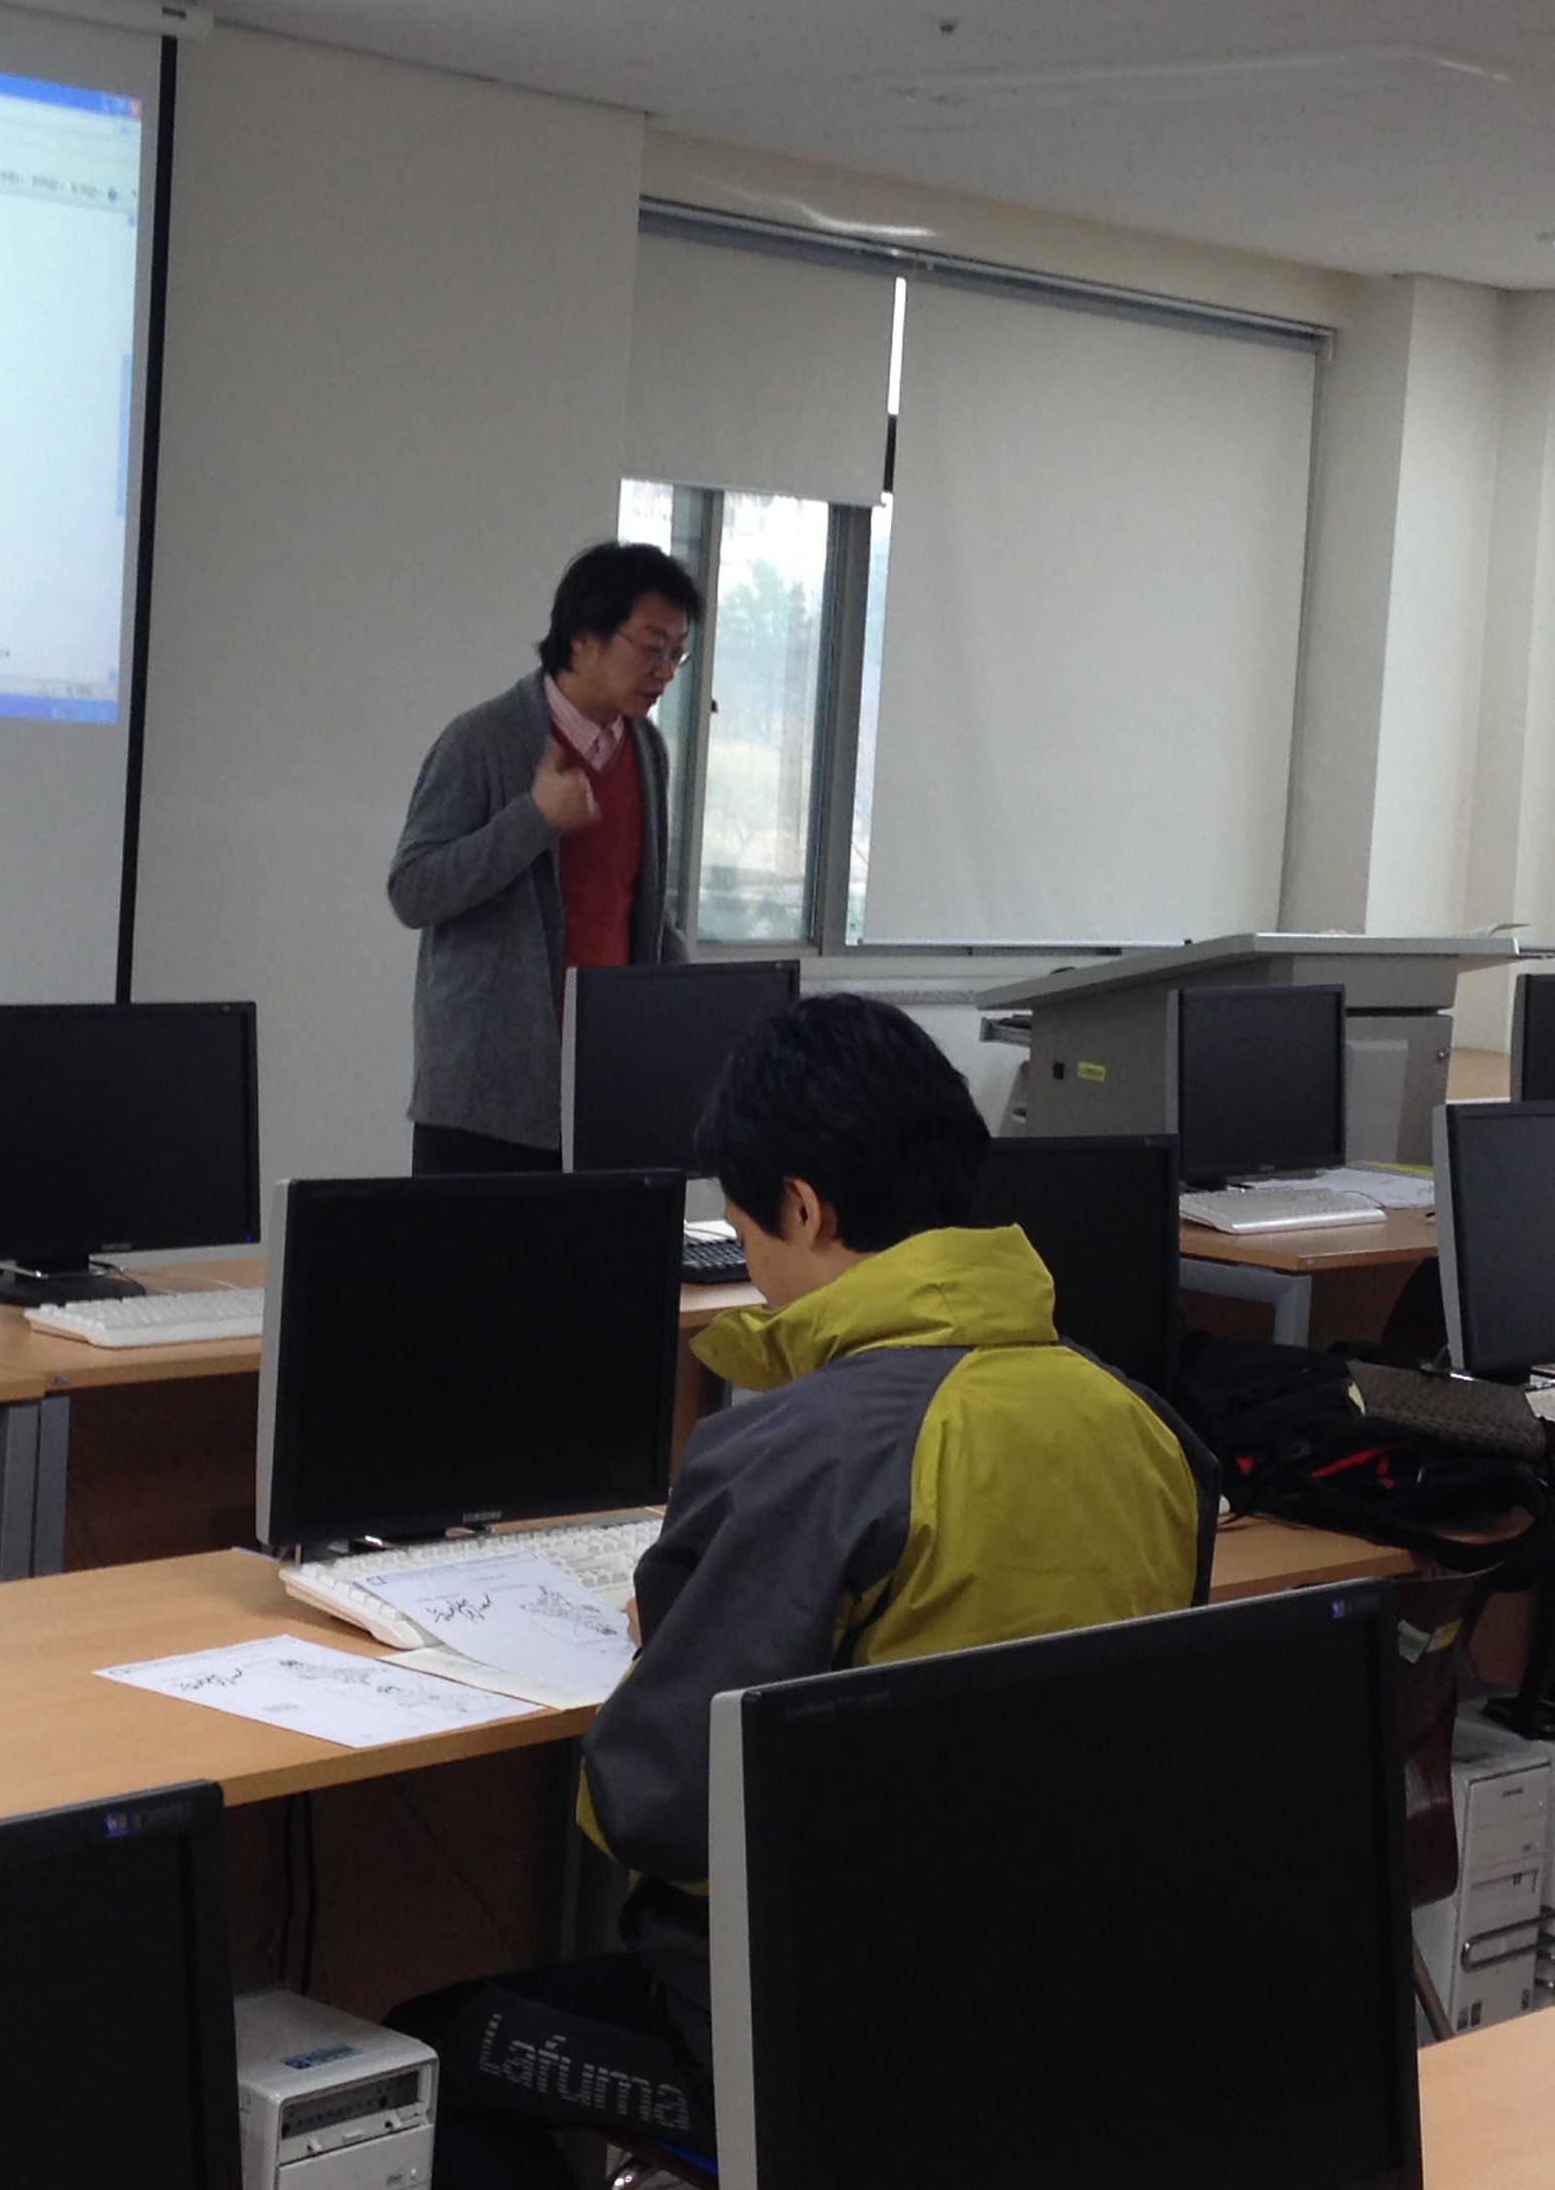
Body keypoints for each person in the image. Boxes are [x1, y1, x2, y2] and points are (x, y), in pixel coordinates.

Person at [392, 996, 1215, 2188]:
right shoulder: (1143, 1426)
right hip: (1070, 2013)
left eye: (744, 1234)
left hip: (823, 2040)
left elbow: (653, 1805)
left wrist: (673, 1640)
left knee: (426, 2054)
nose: (753, 1273)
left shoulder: (803, 1452)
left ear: (805, 1209)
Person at [387, 542, 702, 1173]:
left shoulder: (647, 751)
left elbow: (637, 909)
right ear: (582, 639)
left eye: (677, 652)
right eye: (651, 647)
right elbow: (414, 890)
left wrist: (690, 1010)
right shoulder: (482, 740)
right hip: (485, 1102)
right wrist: (534, 818)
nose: (667, 671)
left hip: (608, 1086)